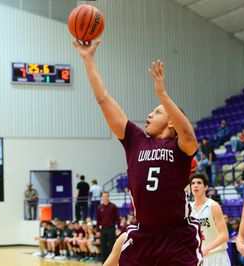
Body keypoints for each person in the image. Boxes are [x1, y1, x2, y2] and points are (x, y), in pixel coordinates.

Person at [73, 39, 201, 265]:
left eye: (157, 112)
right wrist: (88, 60)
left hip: (177, 236)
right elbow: (104, 99)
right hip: (142, 233)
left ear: (171, 122)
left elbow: (189, 136)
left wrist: (162, 94)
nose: (149, 115)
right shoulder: (136, 140)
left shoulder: (180, 148)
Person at [190, 173, 231, 266]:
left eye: (199, 183)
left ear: (206, 187)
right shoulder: (188, 208)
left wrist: (208, 248)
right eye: (193, 183)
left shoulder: (213, 206)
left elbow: (224, 235)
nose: (195, 185)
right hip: (198, 257)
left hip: (216, 255)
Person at [96, 191, 120, 263]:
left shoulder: (113, 206)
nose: (105, 197)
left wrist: (117, 228)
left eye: (106, 196)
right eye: (104, 196)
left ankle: (112, 263)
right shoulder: (100, 207)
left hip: (111, 229)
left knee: (111, 247)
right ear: (102, 197)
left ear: (108, 197)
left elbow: (117, 218)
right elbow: (98, 220)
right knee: (103, 247)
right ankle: (104, 263)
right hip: (103, 229)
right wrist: (97, 230)